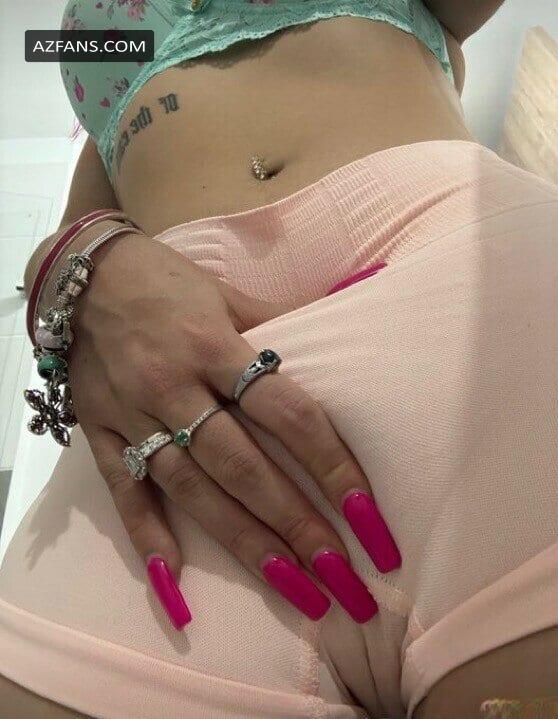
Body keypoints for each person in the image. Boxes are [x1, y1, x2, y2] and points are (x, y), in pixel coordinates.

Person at [1, 1, 557, 717]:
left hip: (456, 277)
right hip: (174, 408)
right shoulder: (94, 30)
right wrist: (67, 260)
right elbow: (91, 193)